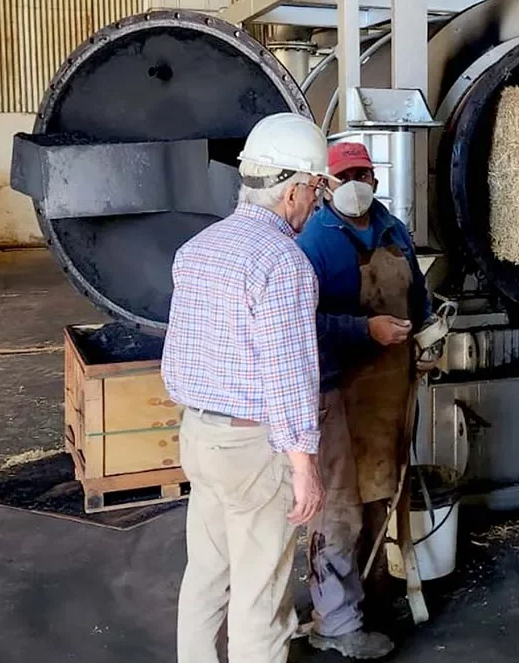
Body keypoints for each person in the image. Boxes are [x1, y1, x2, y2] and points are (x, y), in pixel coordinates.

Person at [162, 112, 334, 663]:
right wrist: (304, 466)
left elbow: (178, 354)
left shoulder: (199, 248)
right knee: (261, 599)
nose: (316, 203)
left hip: (199, 436)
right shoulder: (283, 263)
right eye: (316, 189)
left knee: (206, 576)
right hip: (253, 449)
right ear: (293, 191)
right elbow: (289, 375)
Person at [295, 141, 434, 659]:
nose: (356, 183)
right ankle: (335, 620)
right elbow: (301, 323)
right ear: (327, 184)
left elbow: (417, 296)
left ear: (375, 178)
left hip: (390, 389)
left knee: (381, 496)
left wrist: (425, 338)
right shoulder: (313, 241)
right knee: (338, 508)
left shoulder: (392, 229)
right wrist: (364, 330)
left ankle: (369, 602)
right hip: (338, 390)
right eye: (345, 175)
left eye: (363, 174)